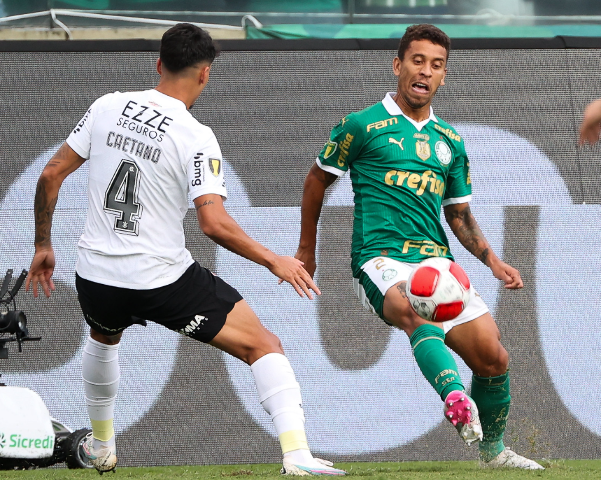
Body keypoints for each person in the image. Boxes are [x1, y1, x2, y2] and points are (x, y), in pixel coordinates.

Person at [25, 23, 346, 477]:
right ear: (205, 75)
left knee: (103, 337)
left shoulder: (106, 106)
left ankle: (102, 446)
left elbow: (50, 175)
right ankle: (296, 455)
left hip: (96, 276)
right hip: (162, 281)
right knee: (264, 346)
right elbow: (212, 223)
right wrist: (275, 258)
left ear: (158, 64)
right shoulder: (195, 136)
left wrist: (42, 244)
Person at [294, 24, 544, 470]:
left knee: (493, 355)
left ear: (444, 76)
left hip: (436, 263)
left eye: (436, 65)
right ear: (398, 65)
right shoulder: (363, 125)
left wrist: (492, 260)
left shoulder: (450, 142)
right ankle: (454, 399)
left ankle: (493, 452)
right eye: (417, 61)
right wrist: (306, 249)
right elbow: (317, 180)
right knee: (412, 309)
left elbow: (459, 216)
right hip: (379, 259)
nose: (425, 72)